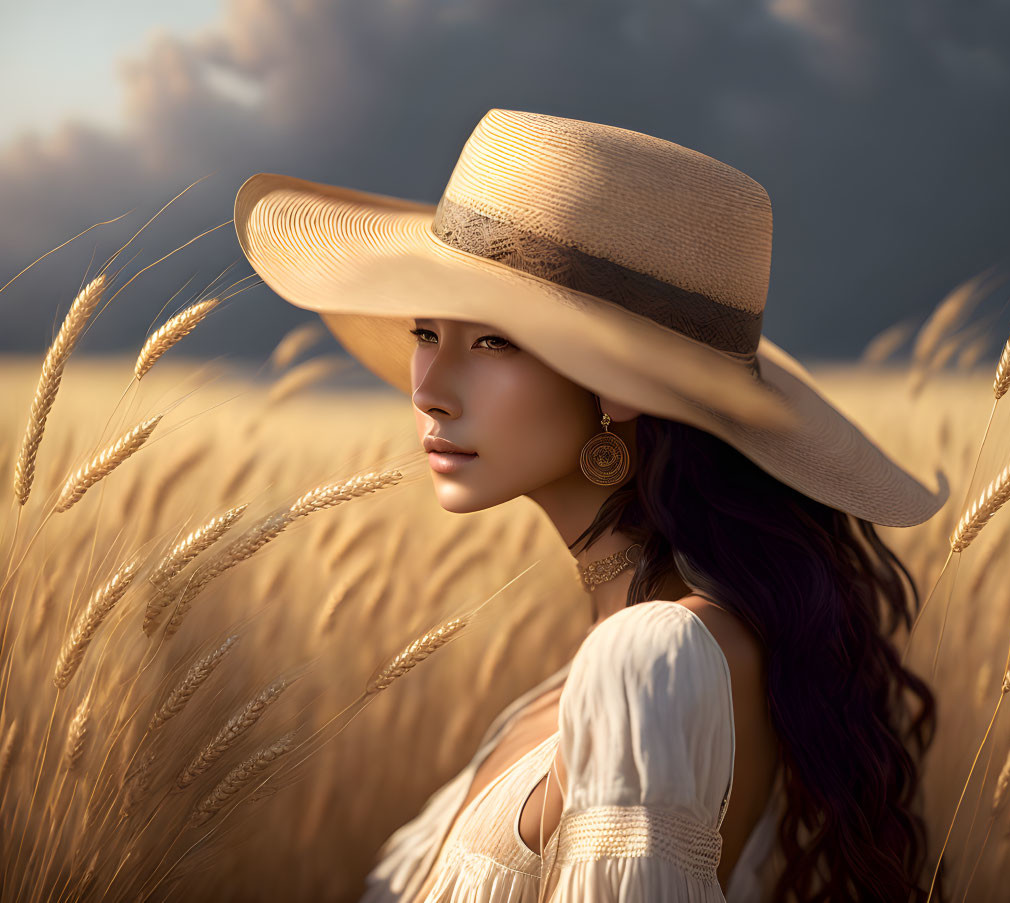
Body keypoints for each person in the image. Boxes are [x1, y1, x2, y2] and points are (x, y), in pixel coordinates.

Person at [233, 108, 952, 902]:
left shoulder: (648, 661)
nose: (428, 391)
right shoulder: (638, 657)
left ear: (620, 386)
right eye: (424, 332)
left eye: (494, 341)